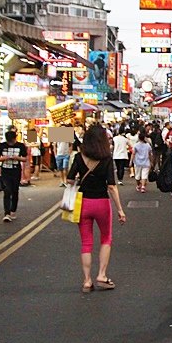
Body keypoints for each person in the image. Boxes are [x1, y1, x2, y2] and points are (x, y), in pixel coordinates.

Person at [67, 124, 126, 293]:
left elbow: (70, 180)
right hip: (101, 203)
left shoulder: (79, 157)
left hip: (83, 202)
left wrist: (80, 180)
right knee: (106, 238)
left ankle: (87, 281)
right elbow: (112, 186)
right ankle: (101, 275)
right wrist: (120, 210)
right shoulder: (106, 158)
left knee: (86, 243)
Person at [0, 130, 28, 222]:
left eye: (12, 141)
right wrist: (3, 158)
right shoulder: (2, 146)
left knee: (14, 191)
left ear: (15, 138)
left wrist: (17, 158)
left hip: (16, 171)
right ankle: (7, 213)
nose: (10, 143)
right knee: (7, 190)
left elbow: (25, 158)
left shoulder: (21, 146)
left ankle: (13, 210)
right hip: (5, 171)